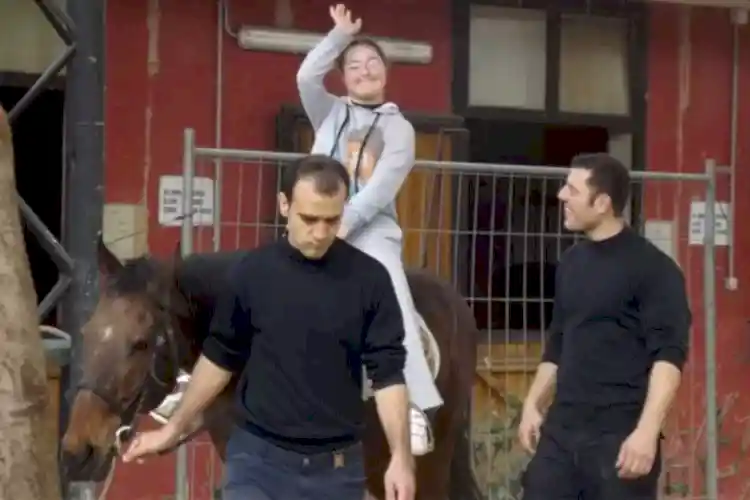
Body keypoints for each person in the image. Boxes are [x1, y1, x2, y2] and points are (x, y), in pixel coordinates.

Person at [123, 155, 416, 500]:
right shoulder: (251, 273)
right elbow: (219, 359)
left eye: (332, 220)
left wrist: (401, 457)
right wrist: (172, 430)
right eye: (309, 219)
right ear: (284, 205)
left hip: (337, 472)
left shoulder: (370, 280)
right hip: (257, 465)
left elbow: (389, 375)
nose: (321, 233)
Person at [294, 3, 442, 457]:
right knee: (267, 279)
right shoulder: (329, 112)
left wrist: (339, 226)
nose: (364, 70)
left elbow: (380, 190)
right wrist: (339, 36)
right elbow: (306, 77)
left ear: (386, 72)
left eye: (372, 62)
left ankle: (415, 403)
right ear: (343, 77)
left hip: (371, 229)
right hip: (315, 222)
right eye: (354, 65)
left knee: (392, 292)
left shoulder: (400, 129)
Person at [517, 153, 692, 500]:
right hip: (561, 434)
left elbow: (669, 358)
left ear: (602, 204)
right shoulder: (571, 263)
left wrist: (646, 432)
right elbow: (557, 345)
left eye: (572, 190)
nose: (561, 196)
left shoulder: (655, 269)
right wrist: (531, 404)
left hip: (619, 439)